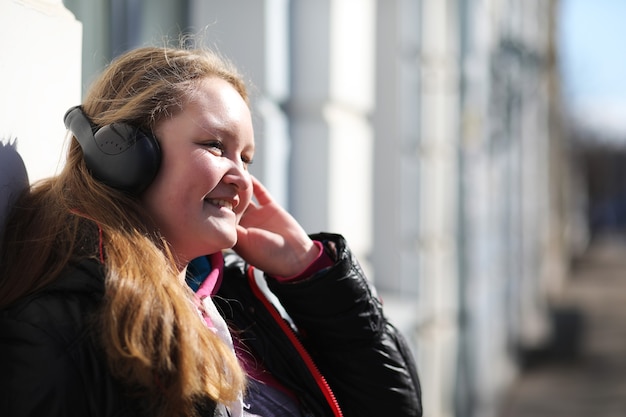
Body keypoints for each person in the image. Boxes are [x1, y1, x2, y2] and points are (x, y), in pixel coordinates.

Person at [0, 46, 422, 417]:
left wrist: (311, 273)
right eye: (216, 146)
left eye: (247, 158)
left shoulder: (236, 306)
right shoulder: (60, 330)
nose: (243, 179)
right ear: (123, 154)